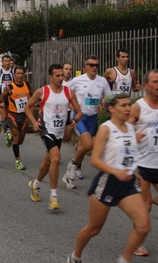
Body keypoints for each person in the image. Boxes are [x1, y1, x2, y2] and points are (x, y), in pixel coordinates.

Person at [67, 90, 150, 263]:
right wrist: (115, 171)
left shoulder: (131, 127)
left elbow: (129, 153)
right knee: (94, 229)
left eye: (129, 105)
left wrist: (135, 172)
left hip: (127, 183)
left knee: (143, 226)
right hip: (108, 182)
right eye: (123, 105)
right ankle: (75, 257)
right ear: (111, 108)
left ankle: (124, 260)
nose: (128, 108)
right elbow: (95, 161)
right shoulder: (106, 129)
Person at [26, 63, 82, 209]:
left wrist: (74, 120)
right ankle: (54, 196)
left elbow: (79, 111)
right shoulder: (42, 91)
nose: (60, 78)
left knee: (48, 161)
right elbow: (28, 107)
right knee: (56, 158)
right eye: (57, 76)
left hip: (59, 131)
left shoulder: (69, 92)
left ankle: (35, 184)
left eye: (62, 75)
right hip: (46, 129)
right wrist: (33, 122)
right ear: (50, 77)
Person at [63, 56, 111, 189]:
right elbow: (64, 93)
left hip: (92, 118)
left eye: (96, 65)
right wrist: (71, 106)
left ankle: (71, 169)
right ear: (85, 67)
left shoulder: (102, 81)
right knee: (87, 144)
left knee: (86, 146)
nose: (94, 67)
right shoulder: (77, 81)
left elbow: (109, 98)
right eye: (91, 65)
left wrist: (105, 104)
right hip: (80, 117)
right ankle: (72, 169)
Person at [127, 69, 158, 257]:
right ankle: (139, 243)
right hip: (144, 163)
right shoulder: (138, 106)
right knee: (145, 206)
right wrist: (133, 136)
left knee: (149, 201)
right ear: (145, 86)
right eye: (154, 81)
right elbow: (125, 127)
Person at [0, 67, 32, 170]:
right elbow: (2, 96)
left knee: (20, 141)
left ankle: (9, 137)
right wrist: (2, 103)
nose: (20, 75)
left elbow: (33, 96)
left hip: (24, 115)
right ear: (14, 75)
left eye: (22, 73)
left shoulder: (27, 85)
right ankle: (18, 161)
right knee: (17, 137)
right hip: (13, 115)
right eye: (18, 73)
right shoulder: (9, 87)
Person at [0, 55, 14, 146]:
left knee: (8, 117)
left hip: (11, 97)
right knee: (4, 116)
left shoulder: (13, 71)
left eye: (9, 61)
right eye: (5, 61)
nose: (7, 63)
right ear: (2, 62)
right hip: (1, 96)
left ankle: (0, 122)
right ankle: (6, 135)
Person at [62, 62, 74, 142]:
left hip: (70, 112)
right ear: (62, 70)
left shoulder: (74, 82)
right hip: (59, 111)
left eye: (70, 69)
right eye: (66, 69)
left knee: (67, 138)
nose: (68, 71)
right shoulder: (58, 82)